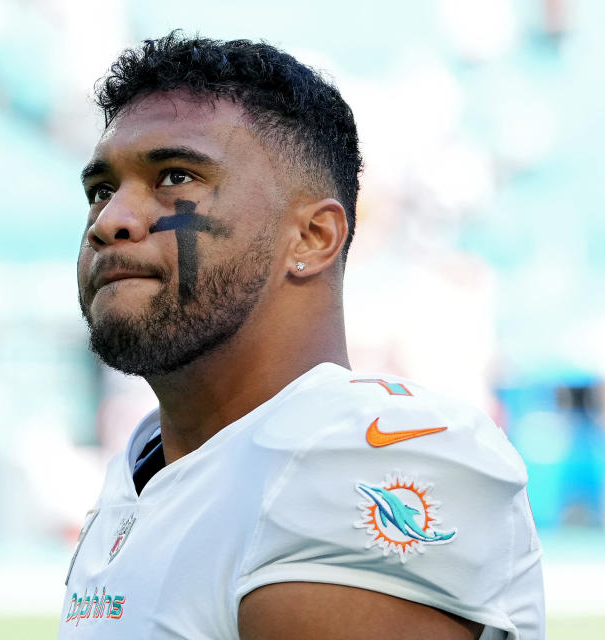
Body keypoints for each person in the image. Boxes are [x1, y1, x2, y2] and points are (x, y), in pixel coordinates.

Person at [62, 32, 544, 640]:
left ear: (313, 237)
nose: (110, 221)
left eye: (176, 176)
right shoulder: (146, 466)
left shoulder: (364, 454)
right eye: (101, 190)